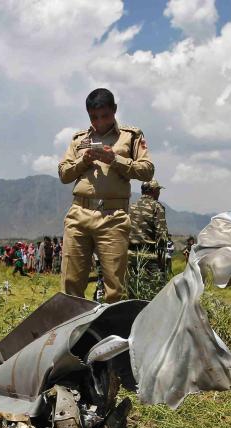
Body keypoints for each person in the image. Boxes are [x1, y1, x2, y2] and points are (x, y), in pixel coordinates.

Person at [57, 88, 154, 303]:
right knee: (71, 284)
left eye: (105, 116)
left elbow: (147, 170)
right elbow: (63, 174)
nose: (99, 122)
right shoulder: (79, 139)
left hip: (113, 216)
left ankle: (112, 324)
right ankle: (73, 324)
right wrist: (83, 161)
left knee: (115, 289)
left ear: (115, 110)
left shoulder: (130, 136)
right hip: (79, 213)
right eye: (94, 117)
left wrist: (115, 159)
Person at [126, 179, 168, 299]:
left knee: (133, 290)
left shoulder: (131, 206)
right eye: (158, 190)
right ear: (153, 190)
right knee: (156, 292)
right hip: (149, 257)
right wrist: (162, 261)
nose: (159, 193)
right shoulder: (157, 207)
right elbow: (162, 235)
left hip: (130, 256)